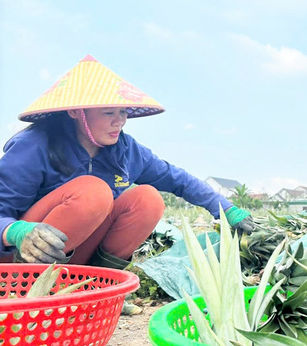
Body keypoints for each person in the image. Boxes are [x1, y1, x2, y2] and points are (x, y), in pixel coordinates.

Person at [0, 55, 255, 276]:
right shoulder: (32, 146)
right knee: (93, 192)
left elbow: (178, 179)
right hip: (20, 260)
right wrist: (16, 232)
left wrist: (226, 209)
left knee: (147, 199)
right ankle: (28, 290)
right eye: (108, 113)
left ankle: (91, 287)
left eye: (123, 112)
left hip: (71, 258)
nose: (119, 122)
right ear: (77, 112)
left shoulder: (126, 151)